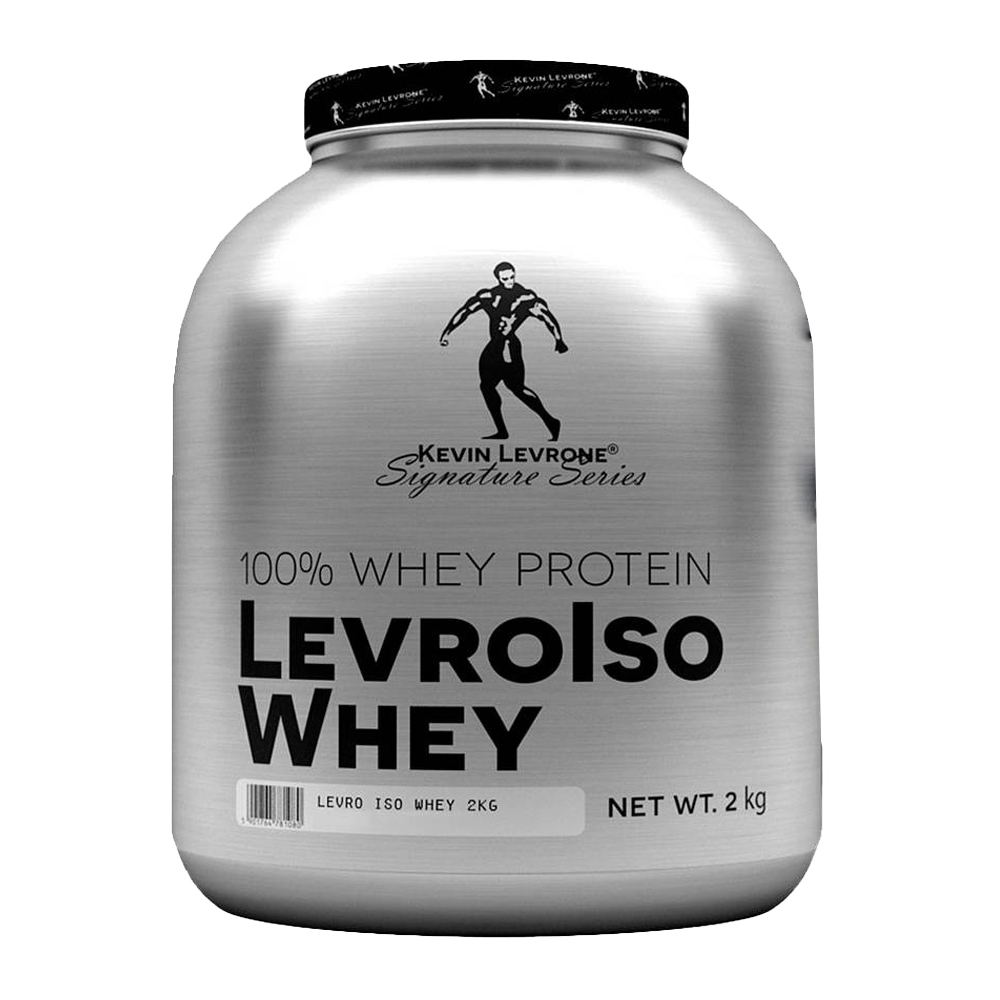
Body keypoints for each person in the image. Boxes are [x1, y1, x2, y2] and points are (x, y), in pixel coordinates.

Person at [440, 263, 568, 440]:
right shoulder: (488, 296)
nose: (509, 281)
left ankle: (550, 421)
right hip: (493, 347)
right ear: (498, 279)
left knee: (517, 389)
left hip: (509, 347)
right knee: (486, 386)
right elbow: (465, 311)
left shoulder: (525, 298)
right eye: (505, 278)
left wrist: (559, 339)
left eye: (512, 277)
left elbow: (546, 316)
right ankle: (502, 430)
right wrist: (447, 332)